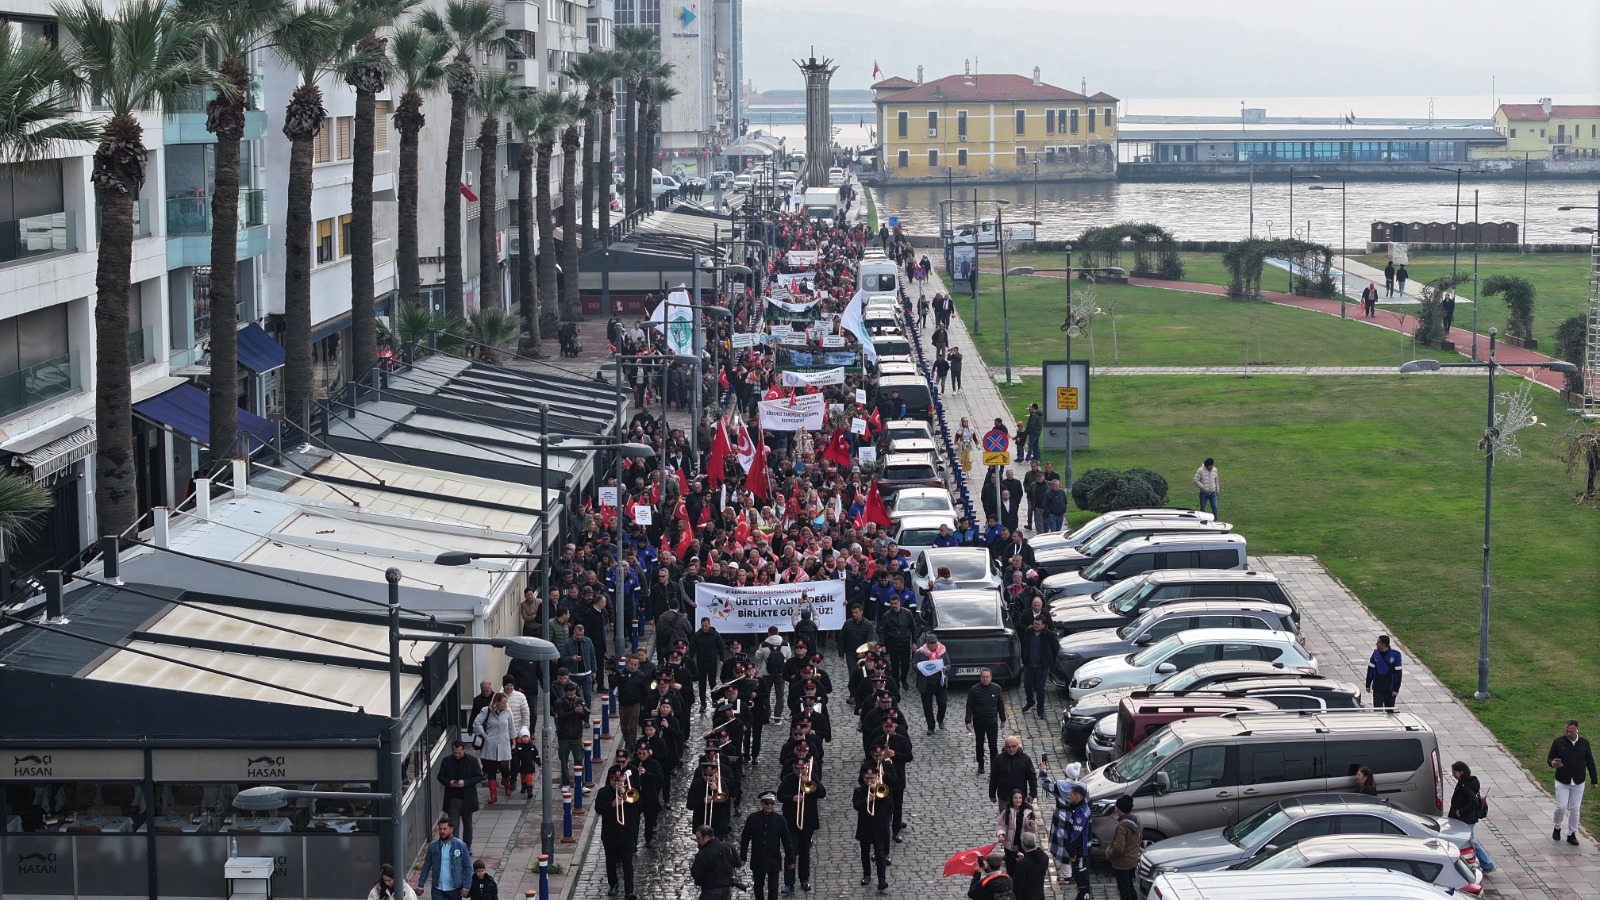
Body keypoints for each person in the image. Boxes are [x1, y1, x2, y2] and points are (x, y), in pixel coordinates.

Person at [1039, 767, 1092, 900]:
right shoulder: (1083, 787)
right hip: (1074, 816)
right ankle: (1070, 873)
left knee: (1063, 845)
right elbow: (1089, 801)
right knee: (1072, 842)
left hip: (1061, 818)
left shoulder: (1059, 785)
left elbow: (1045, 784)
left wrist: (1042, 771)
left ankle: (1066, 873)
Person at [779, 748, 825, 893]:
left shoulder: (812, 777)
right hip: (791, 822)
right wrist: (791, 798)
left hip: (808, 821)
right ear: (793, 768)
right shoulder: (787, 779)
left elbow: (822, 793)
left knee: (805, 851)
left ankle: (804, 879)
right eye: (797, 768)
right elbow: (779, 795)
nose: (800, 771)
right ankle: (789, 883)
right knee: (791, 852)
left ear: (806, 767)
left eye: (802, 768)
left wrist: (811, 783)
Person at [1549, 718, 1597, 846]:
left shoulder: (1584, 743)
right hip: (1562, 780)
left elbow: (1590, 762)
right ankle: (1557, 827)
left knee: (1575, 808)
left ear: (1577, 730)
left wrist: (1594, 780)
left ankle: (1572, 834)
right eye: (1566, 731)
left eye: (1571, 731)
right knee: (1561, 807)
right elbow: (1550, 757)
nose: (1568, 734)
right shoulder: (1558, 742)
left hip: (1578, 780)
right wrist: (1553, 763)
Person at [739, 791, 795, 900]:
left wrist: (790, 859)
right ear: (762, 803)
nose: (769, 805)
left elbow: (786, 840)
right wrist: (743, 856)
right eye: (767, 803)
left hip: (773, 859)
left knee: (773, 889)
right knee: (758, 888)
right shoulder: (753, 818)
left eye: (772, 803)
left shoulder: (780, 820)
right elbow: (745, 838)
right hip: (758, 859)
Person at [597, 770, 641, 898]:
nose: (617, 783)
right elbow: (598, 809)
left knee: (627, 862)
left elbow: (639, 805)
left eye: (620, 780)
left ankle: (629, 890)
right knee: (610, 861)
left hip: (627, 833)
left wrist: (625, 794)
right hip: (610, 834)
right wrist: (611, 804)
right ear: (610, 780)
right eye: (615, 780)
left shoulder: (630, 791)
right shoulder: (603, 792)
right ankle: (613, 885)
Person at [1448, 761, 1496, 873]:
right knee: (1469, 841)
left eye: (1454, 772)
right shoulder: (1466, 782)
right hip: (1465, 818)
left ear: (1461, 772)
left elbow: (1473, 802)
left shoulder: (1465, 786)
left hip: (1466, 819)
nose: (1453, 774)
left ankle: (1488, 864)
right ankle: (1484, 864)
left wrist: (1460, 812)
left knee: (1471, 842)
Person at [437, 740, 484, 847]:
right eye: (455, 753)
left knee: (467, 825)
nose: (457, 755)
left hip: (468, 798)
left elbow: (479, 776)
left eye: (459, 752)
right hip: (453, 798)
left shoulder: (472, 761)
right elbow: (440, 777)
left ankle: (467, 847)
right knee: (453, 825)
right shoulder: (447, 761)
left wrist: (465, 783)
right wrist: (450, 783)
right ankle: (455, 847)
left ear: (464, 749)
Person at [854, 767, 893, 892]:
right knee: (864, 853)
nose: (869, 780)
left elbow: (890, 806)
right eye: (867, 778)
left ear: (876, 777)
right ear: (864, 778)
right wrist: (866, 800)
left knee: (880, 855)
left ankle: (882, 880)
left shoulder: (883, 789)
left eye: (872, 778)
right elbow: (856, 806)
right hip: (865, 827)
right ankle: (867, 874)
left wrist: (878, 794)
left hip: (879, 827)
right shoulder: (859, 791)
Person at [416, 815, 472, 900]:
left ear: (451, 829)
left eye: (445, 829)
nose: (442, 831)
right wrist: (420, 885)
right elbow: (426, 866)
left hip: (455, 889)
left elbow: (468, 866)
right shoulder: (433, 846)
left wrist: (466, 887)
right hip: (437, 888)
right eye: (440, 829)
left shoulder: (461, 846)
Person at [472, 693, 514, 804]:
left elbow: (511, 728)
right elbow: (476, 723)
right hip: (490, 744)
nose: (505, 704)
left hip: (504, 743)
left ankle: (506, 783)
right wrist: (484, 735)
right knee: (491, 770)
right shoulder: (486, 711)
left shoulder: (508, 712)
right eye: (503, 702)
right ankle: (493, 794)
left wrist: (513, 741)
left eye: (506, 702)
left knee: (504, 768)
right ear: (497, 702)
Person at [966, 669, 1008, 773]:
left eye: (987, 677)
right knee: (979, 743)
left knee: (993, 745)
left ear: (991, 677)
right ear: (980, 677)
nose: (985, 679)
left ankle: (994, 767)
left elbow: (1000, 705)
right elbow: (969, 706)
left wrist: (1003, 719)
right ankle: (981, 764)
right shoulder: (974, 690)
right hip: (978, 722)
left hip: (992, 722)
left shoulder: (996, 689)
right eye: (983, 677)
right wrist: (968, 721)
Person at [1019, 617, 1058, 718]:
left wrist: (1050, 661)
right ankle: (1030, 701)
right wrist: (1024, 660)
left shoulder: (1049, 635)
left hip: (1042, 666)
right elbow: (1024, 646)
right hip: (1029, 664)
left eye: (1038, 624)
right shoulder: (1028, 632)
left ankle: (1040, 710)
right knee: (1027, 685)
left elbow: (1055, 648)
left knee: (1040, 688)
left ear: (1044, 625)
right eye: (1034, 623)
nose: (1035, 626)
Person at [912, 632, 950, 733]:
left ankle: (940, 719)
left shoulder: (942, 651)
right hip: (926, 684)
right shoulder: (920, 652)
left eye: (934, 644)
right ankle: (931, 727)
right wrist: (919, 668)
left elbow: (948, 663)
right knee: (927, 707)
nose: (932, 646)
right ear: (927, 644)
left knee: (942, 703)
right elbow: (914, 665)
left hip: (939, 683)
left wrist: (946, 668)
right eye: (930, 644)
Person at [691, 824, 742, 900]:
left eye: (699, 838)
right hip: (726, 889)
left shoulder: (702, 854)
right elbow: (738, 863)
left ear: (707, 838)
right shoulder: (728, 847)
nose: (697, 841)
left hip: (709, 890)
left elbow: (695, 873)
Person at [1106, 795, 1141, 900]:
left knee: (1124, 888)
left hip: (1122, 863)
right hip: (1132, 860)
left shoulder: (1122, 827)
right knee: (1130, 885)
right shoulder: (1137, 822)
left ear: (1119, 808)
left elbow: (1118, 848)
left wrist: (1109, 853)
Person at [990, 735, 1037, 812]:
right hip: (1004, 797)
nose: (1011, 749)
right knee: (1005, 821)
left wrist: (1032, 794)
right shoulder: (998, 760)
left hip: (1020, 798)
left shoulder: (1025, 759)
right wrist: (992, 794)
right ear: (1005, 747)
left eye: (1013, 746)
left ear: (1018, 746)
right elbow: (994, 777)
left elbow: (1032, 777)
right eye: (1008, 747)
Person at [995, 788, 1036, 870]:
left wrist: (1031, 825)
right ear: (1012, 799)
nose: (1018, 800)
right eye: (1015, 798)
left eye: (1020, 798)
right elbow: (1002, 826)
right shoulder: (1007, 812)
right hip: (1012, 844)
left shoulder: (1028, 812)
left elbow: (1032, 832)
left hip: (1024, 844)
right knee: (1011, 864)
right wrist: (1001, 834)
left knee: (1023, 865)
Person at [1365, 634, 1403, 708]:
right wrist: (1368, 685)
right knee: (1377, 710)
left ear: (1384, 644)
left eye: (1378, 643)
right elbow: (1370, 671)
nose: (1376, 644)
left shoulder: (1395, 655)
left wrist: (1396, 689)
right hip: (1377, 688)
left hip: (1390, 689)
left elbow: (1398, 674)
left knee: (1390, 711)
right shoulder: (1375, 654)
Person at [1009, 833, 1050, 900]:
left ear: (1023, 844)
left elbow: (1018, 885)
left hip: (1026, 896)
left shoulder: (1022, 864)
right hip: (1039, 894)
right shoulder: (1045, 857)